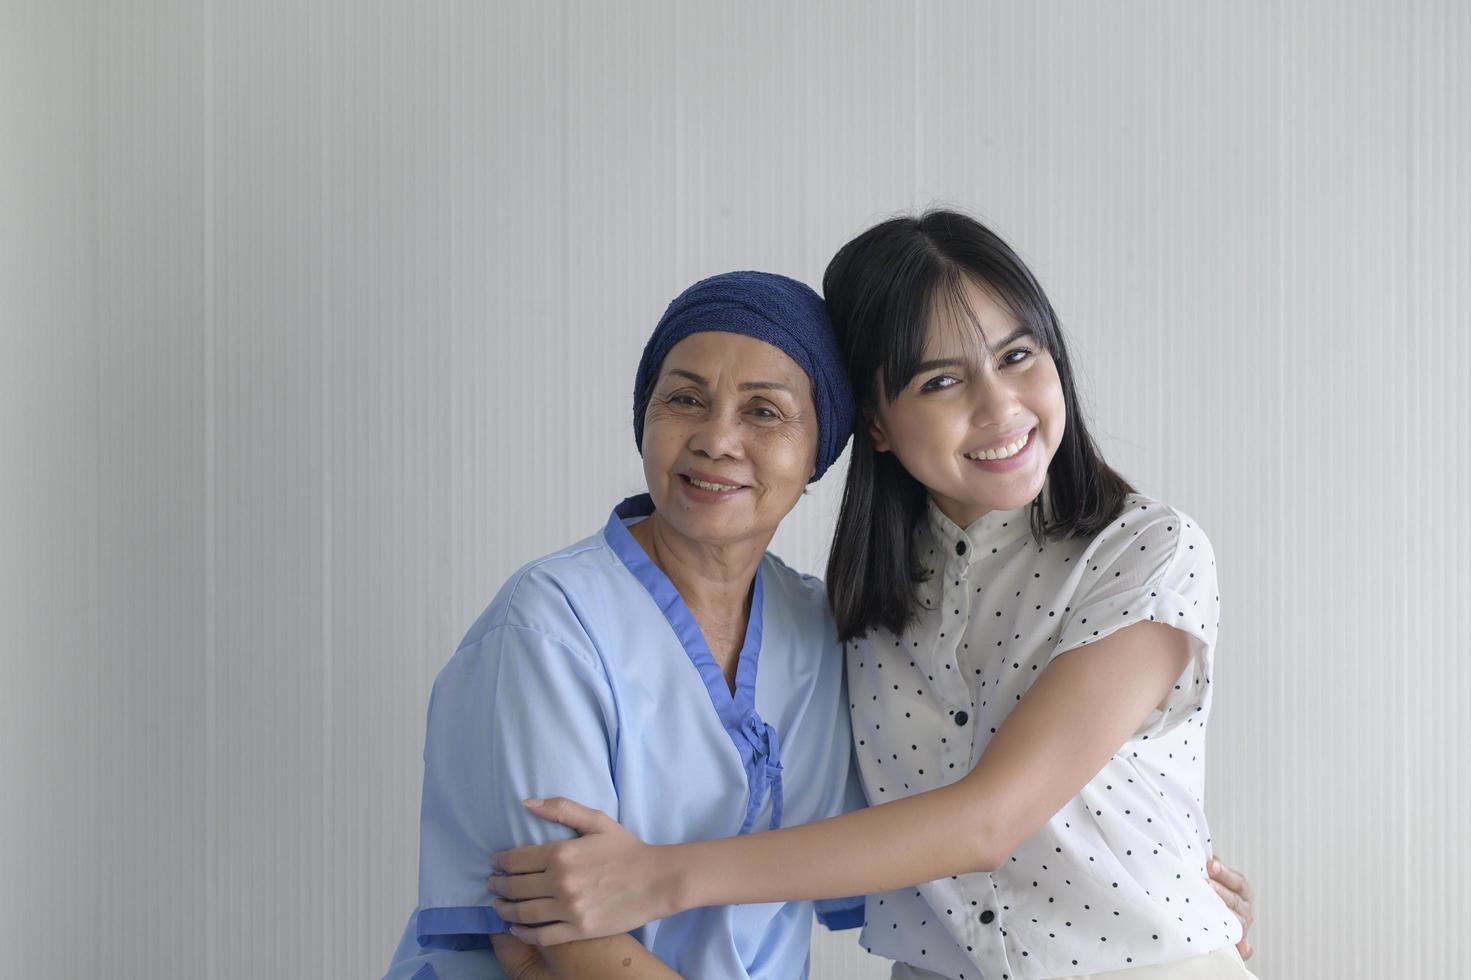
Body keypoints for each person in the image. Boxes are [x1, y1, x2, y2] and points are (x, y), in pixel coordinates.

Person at [488, 211, 1260, 979]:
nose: (998, 408)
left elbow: (987, 822)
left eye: (1018, 355)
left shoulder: (1144, 552)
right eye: (941, 380)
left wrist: (657, 878)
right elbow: (829, 822)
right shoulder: (852, 612)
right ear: (875, 426)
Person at [382, 271, 869, 980]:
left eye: (763, 412)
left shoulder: (818, 630)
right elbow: (555, 941)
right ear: (644, 414)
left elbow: (856, 856)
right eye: (684, 399)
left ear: (820, 448)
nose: (715, 439)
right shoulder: (548, 625)